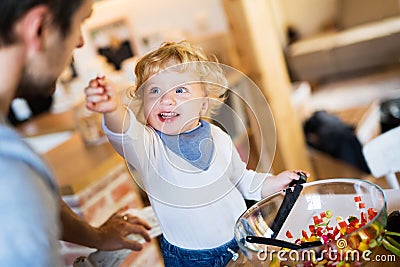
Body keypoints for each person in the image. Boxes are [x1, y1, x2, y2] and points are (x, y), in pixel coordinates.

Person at [85, 40, 310, 266]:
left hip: (242, 240)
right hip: (191, 259)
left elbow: (242, 178)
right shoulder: (148, 147)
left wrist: (274, 183)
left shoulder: (218, 137)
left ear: (204, 103)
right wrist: (112, 110)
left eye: (180, 90)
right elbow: (124, 133)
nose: (166, 99)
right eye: (154, 91)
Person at [0, 1, 151, 266]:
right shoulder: (11, 176)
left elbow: (44, 199)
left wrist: (96, 236)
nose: (80, 42)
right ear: (39, 29)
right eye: (81, 22)